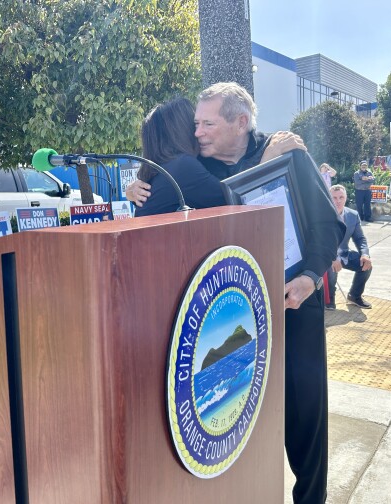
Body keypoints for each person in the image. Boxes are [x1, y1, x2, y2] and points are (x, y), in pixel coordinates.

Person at [128, 82, 344, 504]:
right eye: (196, 124)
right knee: (241, 419)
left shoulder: (289, 153)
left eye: (208, 123)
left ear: (241, 122)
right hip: (239, 314)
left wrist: (309, 278)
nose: (199, 132)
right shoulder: (204, 166)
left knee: (305, 418)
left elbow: (327, 226)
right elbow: (199, 192)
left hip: (295, 304)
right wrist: (138, 185)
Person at [134, 97, 226, 216]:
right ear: (185, 129)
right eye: (196, 124)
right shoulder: (183, 167)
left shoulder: (166, 169)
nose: (199, 131)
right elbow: (236, 200)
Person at [325, 185, 372, 310]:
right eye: (334, 198)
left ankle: (354, 296)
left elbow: (359, 238)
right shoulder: (322, 215)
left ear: (346, 198)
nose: (338, 201)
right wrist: (332, 258)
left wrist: (365, 254)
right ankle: (329, 299)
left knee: (366, 265)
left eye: (341, 197)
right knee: (331, 269)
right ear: (329, 198)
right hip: (327, 255)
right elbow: (320, 242)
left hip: (344, 253)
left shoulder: (353, 215)